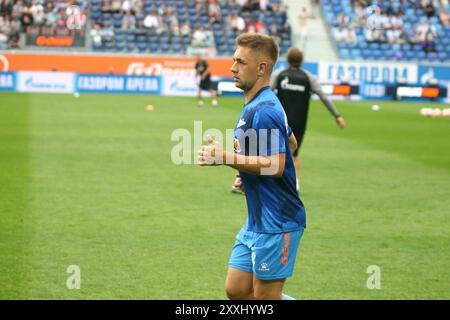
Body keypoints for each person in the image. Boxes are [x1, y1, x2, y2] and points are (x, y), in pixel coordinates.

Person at [198, 33, 305, 300]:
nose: (232, 67)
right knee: (236, 290)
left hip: (279, 222)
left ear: (261, 68)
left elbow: (277, 165)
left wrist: (226, 157)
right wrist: (249, 173)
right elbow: (290, 141)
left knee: (265, 298)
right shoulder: (256, 104)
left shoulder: (265, 109)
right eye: (234, 60)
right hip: (256, 222)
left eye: (240, 62)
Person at [272, 48, 345, 190]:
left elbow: (266, 91)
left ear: (287, 59)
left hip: (280, 120)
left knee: (275, 150)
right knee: (294, 153)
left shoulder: (280, 75)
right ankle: (294, 182)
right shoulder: (309, 78)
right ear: (302, 60)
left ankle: (270, 181)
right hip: (300, 121)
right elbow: (324, 97)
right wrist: (337, 115)